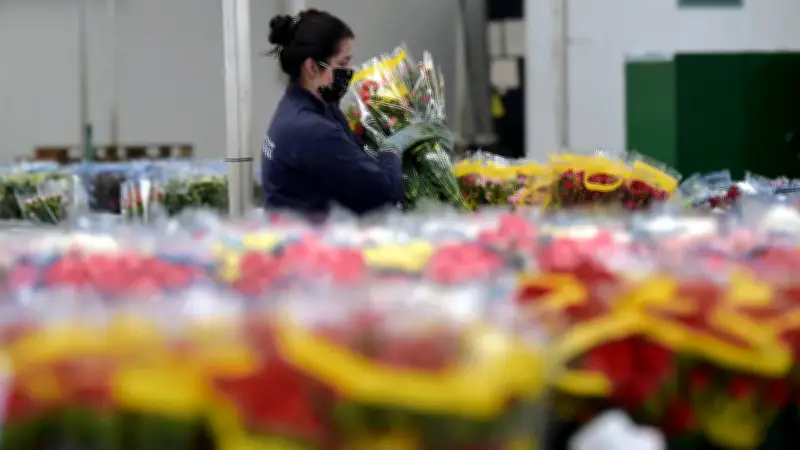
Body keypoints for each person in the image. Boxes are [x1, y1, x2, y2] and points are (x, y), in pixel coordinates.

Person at [261, 9, 440, 217]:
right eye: (343, 63)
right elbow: (382, 194)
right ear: (311, 67)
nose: (350, 71)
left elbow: (346, 154)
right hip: (312, 242)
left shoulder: (305, 105)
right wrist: (391, 149)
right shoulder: (312, 130)